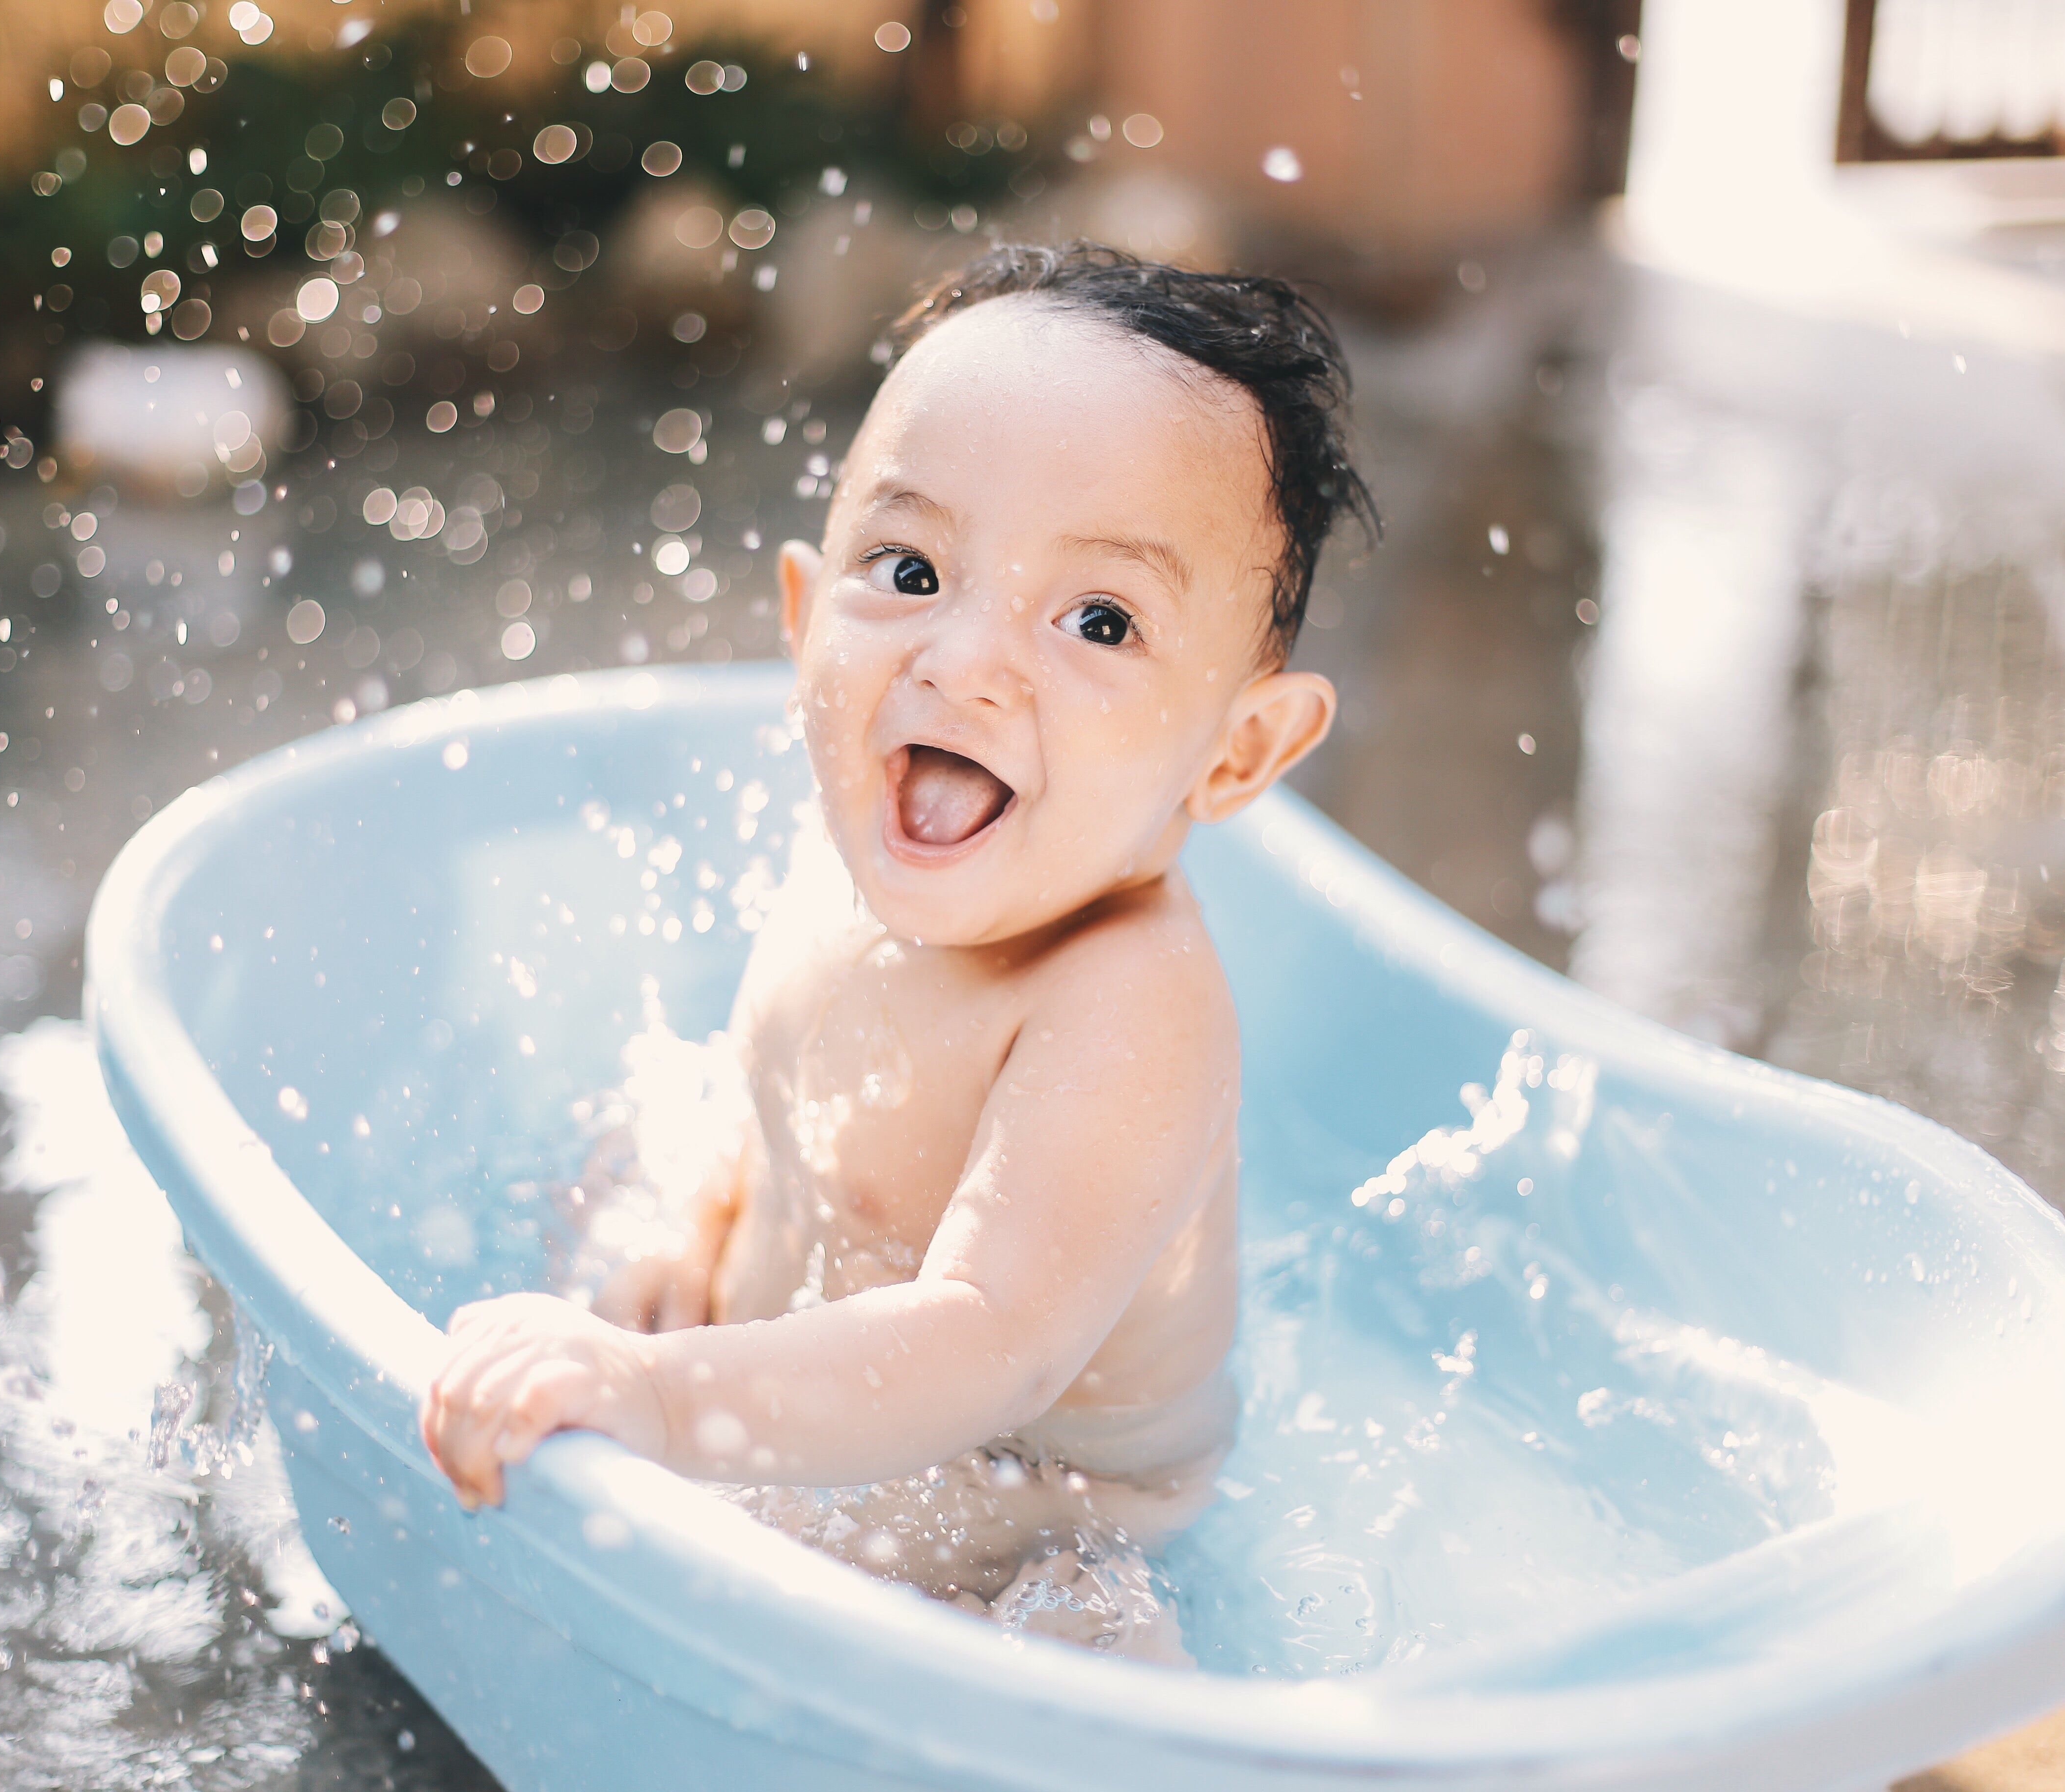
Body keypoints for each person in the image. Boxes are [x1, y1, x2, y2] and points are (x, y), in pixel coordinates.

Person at [421, 242, 1377, 1656]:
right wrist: (688, 1231)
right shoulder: (869, 834)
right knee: (621, 1155)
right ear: (806, 622)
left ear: (1236, 753)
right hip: (795, 1403)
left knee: (1085, 1649)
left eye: (1099, 620)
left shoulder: (1127, 1005)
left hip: (1033, 1516)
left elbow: (988, 1337)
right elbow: (773, 1106)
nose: (966, 662)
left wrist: (663, 1397)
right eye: (914, 570)